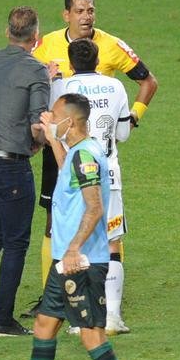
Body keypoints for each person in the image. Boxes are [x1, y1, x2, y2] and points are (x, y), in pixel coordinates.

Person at [0, 93, 135, 360]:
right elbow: (69, 167)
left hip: (81, 261)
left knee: (92, 335)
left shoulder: (86, 157)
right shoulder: (80, 151)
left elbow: (95, 206)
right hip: (66, 260)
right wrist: (53, 140)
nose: (49, 118)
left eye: (54, 115)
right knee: (44, 325)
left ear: (71, 120)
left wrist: (72, 250)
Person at [26, 0, 157, 317]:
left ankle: (93, 300)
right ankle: (53, 295)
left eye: (91, 11)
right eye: (81, 11)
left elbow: (148, 81)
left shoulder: (112, 45)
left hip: (88, 151)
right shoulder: (46, 46)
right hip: (61, 149)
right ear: (66, 14)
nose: (87, 17)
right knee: (56, 220)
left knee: (103, 224)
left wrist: (135, 115)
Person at [0, 6, 49, 336]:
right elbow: (37, 125)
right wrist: (43, 143)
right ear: (36, 38)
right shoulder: (36, 70)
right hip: (10, 166)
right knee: (15, 243)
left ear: (7, 33)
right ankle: (2, 318)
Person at [49, 38, 132, 333]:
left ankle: (78, 316)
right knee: (111, 243)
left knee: (78, 240)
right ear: (98, 61)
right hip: (108, 172)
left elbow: (54, 131)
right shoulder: (116, 86)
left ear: (71, 63)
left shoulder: (62, 90)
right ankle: (112, 316)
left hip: (75, 172)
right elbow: (123, 133)